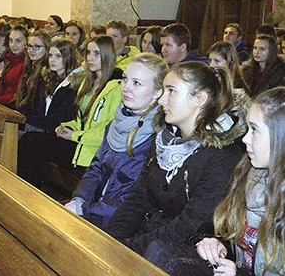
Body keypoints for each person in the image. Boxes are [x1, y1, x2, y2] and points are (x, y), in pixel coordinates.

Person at [106, 62, 246, 267]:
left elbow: (189, 226)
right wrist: (111, 238)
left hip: (183, 253)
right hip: (150, 239)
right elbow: (138, 197)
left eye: (171, 91)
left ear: (200, 99)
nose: (161, 99)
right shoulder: (165, 139)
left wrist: (127, 248)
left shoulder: (223, 156)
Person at [65, 53, 168, 229]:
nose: (126, 88)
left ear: (158, 92)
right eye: (125, 79)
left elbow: (133, 200)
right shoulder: (116, 121)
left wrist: (85, 209)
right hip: (95, 210)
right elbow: (96, 167)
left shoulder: (158, 137)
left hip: (124, 224)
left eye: (137, 83)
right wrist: (79, 198)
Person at [195, 87, 285, 276]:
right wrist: (216, 244)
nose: (245, 138)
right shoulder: (250, 173)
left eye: (255, 130)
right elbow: (230, 233)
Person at [17, 35, 122, 186]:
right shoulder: (88, 82)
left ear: (107, 55)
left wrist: (75, 135)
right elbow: (79, 118)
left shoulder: (115, 87)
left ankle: (29, 192)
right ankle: (24, 190)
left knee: (32, 142)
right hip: (79, 142)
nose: (90, 58)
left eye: (96, 53)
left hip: (91, 148)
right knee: (30, 140)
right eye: (88, 53)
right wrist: (66, 127)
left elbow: (107, 131)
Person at [13, 30, 51, 127]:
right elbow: (20, 98)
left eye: (37, 47)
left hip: (34, 122)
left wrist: (17, 113)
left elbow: (36, 106)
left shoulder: (45, 73)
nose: (31, 50)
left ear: (47, 49)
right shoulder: (30, 68)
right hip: (25, 116)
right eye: (29, 46)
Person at [0, 24, 27, 106]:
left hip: (12, 104)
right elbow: (3, 87)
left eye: (18, 41)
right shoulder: (10, 60)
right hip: (3, 101)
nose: (13, 44)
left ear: (26, 42)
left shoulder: (26, 64)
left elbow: (17, 94)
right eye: (11, 40)